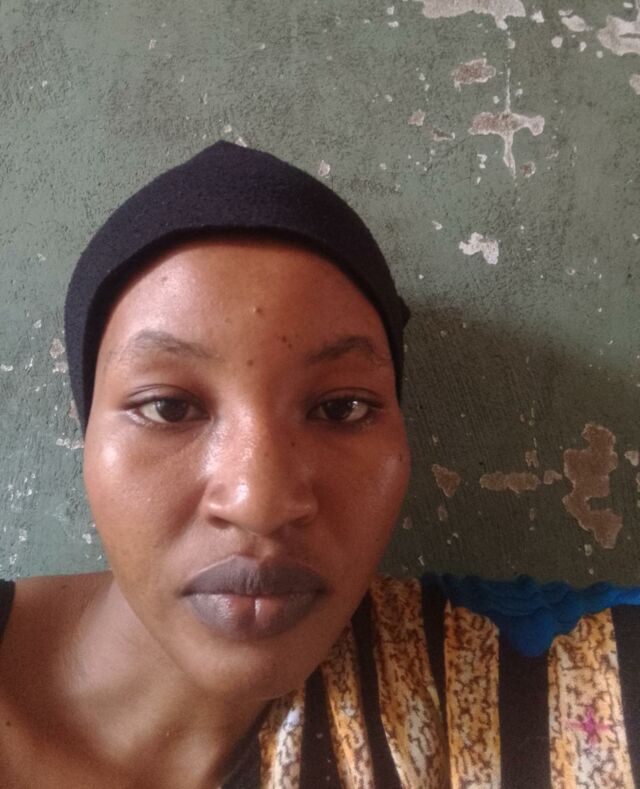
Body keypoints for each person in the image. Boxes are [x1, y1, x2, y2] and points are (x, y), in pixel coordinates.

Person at [0, 141, 638, 788]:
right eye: (169, 407)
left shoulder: (543, 683)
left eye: (340, 408)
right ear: (88, 434)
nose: (260, 503)